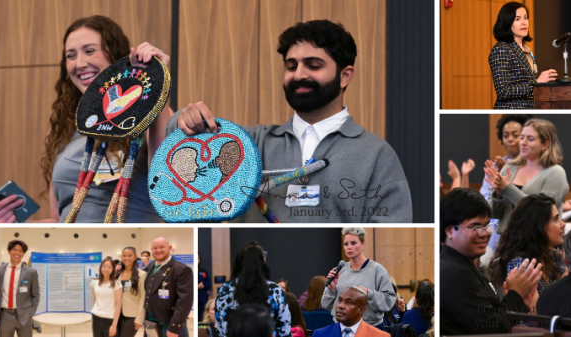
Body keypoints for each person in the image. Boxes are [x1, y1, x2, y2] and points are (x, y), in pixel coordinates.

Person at [170, 20, 411, 223]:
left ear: (345, 76)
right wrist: (186, 119)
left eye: (313, 65)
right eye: (291, 66)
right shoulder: (251, 142)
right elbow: (177, 139)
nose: (298, 75)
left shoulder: (377, 155)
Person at [0, 15, 171, 223]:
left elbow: (167, 186)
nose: (80, 64)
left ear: (115, 55)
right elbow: (59, 219)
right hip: (75, 251)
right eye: (70, 55)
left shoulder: (153, 115)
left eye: (90, 51)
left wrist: (156, 82)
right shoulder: (63, 129)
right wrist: (18, 223)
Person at [440, 188, 542, 335]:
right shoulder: (457, 273)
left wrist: (516, 300)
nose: (486, 233)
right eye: (475, 227)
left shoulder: (461, 265)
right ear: (450, 230)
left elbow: (489, 317)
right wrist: (516, 295)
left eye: (487, 225)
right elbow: (491, 330)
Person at [484, 118, 569, 233]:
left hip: (539, 243)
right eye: (522, 137)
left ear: (545, 145)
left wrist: (507, 188)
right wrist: (498, 195)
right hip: (507, 243)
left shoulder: (555, 173)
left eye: (530, 139)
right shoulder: (509, 168)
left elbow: (542, 213)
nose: (523, 143)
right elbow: (493, 214)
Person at [489, 194, 566, 312]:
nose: (563, 224)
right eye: (556, 219)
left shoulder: (551, 255)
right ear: (537, 226)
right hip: (531, 329)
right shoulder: (520, 263)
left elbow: (570, 284)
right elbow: (535, 315)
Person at [322, 228, 395, 329]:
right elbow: (326, 305)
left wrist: (368, 293)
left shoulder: (378, 270)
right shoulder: (340, 270)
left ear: (363, 244)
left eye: (353, 243)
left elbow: (389, 302)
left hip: (371, 328)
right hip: (342, 328)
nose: (349, 247)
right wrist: (331, 289)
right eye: (346, 244)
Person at [489, 2, 557, 109]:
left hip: (529, 109)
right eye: (517, 19)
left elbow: (527, 83)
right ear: (507, 23)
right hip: (511, 110)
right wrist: (536, 83)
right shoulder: (501, 48)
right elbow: (503, 91)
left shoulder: (527, 50)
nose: (524, 22)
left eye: (525, 18)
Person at [215, 241, 291, 337]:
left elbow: (220, 327)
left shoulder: (225, 289)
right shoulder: (274, 290)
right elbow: (285, 329)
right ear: (262, 262)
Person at [144, 237, 194, 337]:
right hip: (150, 321)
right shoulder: (150, 266)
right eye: (155, 248)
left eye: (162, 247)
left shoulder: (182, 269)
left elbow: (185, 301)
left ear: (169, 248)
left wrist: (175, 326)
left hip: (169, 322)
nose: (158, 250)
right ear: (151, 250)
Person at [482, 114, 534, 201]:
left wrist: (506, 182)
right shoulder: (494, 167)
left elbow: (529, 201)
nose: (510, 139)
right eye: (506, 136)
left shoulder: (533, 165)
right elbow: (484, 199)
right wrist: (497, 186)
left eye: (515, 135)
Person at [0, 240, 40, 337]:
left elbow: (36, 295)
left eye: (21, 251)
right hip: (4, 315)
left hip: (24, 315)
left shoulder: (31, 272)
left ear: (23, 253)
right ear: (9, 251)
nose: (17, 253)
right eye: (15, 250)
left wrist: (31, 313)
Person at [313, 287, 389, 337]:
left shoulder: (379, 336)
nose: (340, 306)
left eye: (348, 302)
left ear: (361, 310)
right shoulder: (320, 334)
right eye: (340, 300)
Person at [116, 247, 146, 337]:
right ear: (121, 257)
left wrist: (140, 318)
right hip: (116, 313)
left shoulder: (142, 274)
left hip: (132, 314)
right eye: (124, 256)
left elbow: (144, 297)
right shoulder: (117, 273)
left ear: (135, 257)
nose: (126, 258)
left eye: (130, 255)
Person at [91, 257, 122, 337]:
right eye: (104, 266)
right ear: (100, 267)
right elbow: (95, 300)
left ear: (113, 269)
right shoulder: (94, 282)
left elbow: (118, 304)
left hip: (110, 319)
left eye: (109, 267)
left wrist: (114, 325)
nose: (106, 269)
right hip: (96, 318)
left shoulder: (116, 283)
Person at [197, 254, 209, 321]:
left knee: (203, 316)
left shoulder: (204, 271)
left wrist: (203, 286)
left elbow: (208, 283)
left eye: (198, 258)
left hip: (203, 298)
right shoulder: (190, 271)